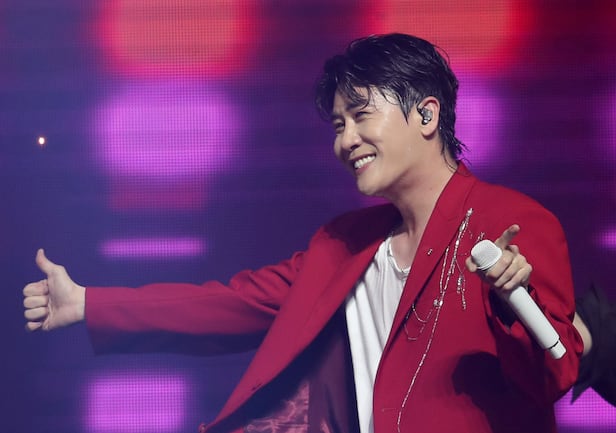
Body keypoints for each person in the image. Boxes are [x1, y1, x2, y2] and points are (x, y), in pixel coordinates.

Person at [23, 33, 583, 433]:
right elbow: (230, 305)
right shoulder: (344, 244)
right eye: (338, 125)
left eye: (361, 115)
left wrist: (512, 301)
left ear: (426, 115)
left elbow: (555, 373)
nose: (346, 140)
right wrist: (89, 304)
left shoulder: (511, 221)